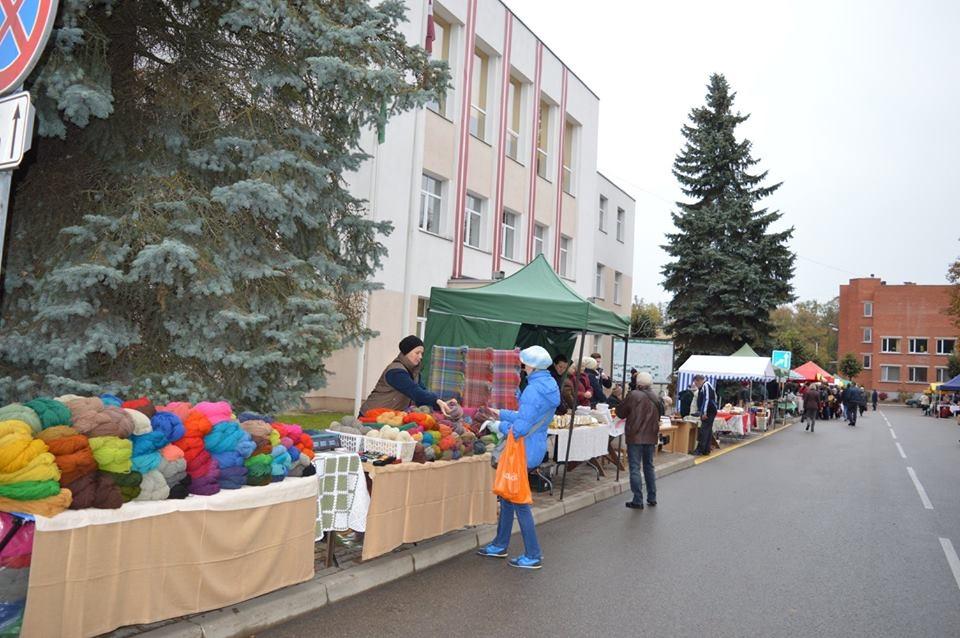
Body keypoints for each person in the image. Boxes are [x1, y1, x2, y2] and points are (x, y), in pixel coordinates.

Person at [477, 346, 559, 570]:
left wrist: (497, 425)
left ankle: (533, 554)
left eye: (524, 362)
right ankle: (499, 544)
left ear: (532, 365)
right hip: (534, 446)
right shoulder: (549, 385)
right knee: (508, 497)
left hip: (523, 448)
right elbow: (528, 416)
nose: (522, 366)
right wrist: (501, 413)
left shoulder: (533, 390)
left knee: (519, 502)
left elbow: (521, 427)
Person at [359, 335, 450, 415]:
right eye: (417, 353)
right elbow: (415, 392)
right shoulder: (396, 371)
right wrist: (436, 400)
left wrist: (443, 403)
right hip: (370, 416)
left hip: (387, 418)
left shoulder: (414, 372)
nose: (420, 357)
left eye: (421, 353)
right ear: (406, 352)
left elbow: (423, 393)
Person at [617, 372, 663, 509]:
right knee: (649, 466)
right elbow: (661, 413)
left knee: (635, 467)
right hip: (651, 436)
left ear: (638, 383)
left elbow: (620, 412)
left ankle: (638, 499)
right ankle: (652, 497)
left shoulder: (633, 395)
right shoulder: (656, 397)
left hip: (635, 436)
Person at [693, 375, 718, 456]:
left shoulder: (706, 385)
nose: (696, 385)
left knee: (704, 430)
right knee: (708, 430)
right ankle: (706, 450)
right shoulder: (706, 385)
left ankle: (700, 450)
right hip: (709, 411)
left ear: (699, 381)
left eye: (696, 383)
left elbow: (707, 399)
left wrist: (704, 412)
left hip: (708, 412)